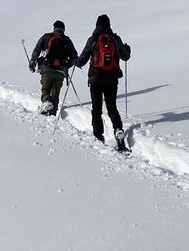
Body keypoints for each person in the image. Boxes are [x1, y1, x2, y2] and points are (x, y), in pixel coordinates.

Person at [76, 14, 131, 151]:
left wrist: (75, 61)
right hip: (112, 77)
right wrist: (127, 49)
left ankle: (98, 136)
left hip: (96, 78)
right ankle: (118, 130)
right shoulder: (115, 39)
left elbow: (82, 60)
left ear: (96, 25)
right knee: (112, 107)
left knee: (97, 108)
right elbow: (125, 57)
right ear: (109, 25)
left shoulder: (93, 39)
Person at [29, 20, 78, 116]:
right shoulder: (66, 39)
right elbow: (74, 56)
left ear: (54, 28)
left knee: (46, 89)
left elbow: (37, 49)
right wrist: (66, 66)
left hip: (46, 68)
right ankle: (53, 112)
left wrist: (33, 62)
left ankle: (46, 102)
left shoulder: (46, 37)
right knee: (55, 92)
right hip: (60, 71)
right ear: (63, 29)